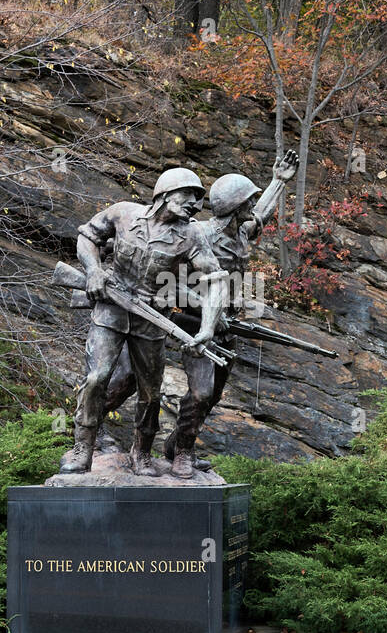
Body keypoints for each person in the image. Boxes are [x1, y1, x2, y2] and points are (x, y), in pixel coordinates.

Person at [102, 151, 297, 475]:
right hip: (182, 318)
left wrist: (279, 181)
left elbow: (260, 214)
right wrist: (205, 307)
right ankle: (92, 430)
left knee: (209, 396)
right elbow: (165, 279)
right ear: (235, 207)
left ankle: (179, 446)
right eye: (247, 202)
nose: (252, 208)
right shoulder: (199, 234)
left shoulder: (242, 233)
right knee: (131, 380)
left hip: (225, 325)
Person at [59, 168, 228, 476]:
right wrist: (94, 270)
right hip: (111, 307)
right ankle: (82, 445)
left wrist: (206, 328)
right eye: (190, 195)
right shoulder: (124, 213)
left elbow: (216, 279)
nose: (196, 205)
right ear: (165, 192)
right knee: (98, 377)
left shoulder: (191, 234)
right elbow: (87, 237)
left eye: (199, 199)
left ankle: (142, 452)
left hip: (151, 316)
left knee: (150, 390)